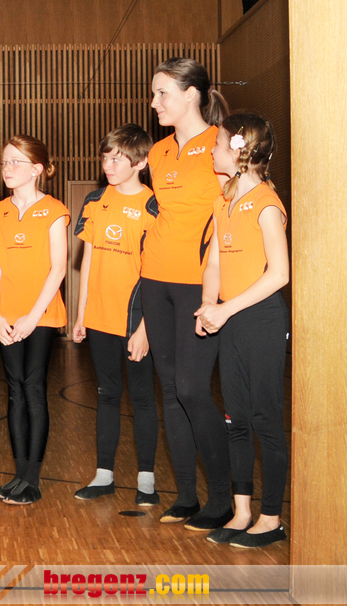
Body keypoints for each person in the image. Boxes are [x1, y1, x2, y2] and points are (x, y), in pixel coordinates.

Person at [142, 57, 232, 529]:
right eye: (154, 93)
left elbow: (229, 216)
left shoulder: (220, 144)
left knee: (193, 389)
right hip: (155, 280)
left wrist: (215, 291)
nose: (154, 102)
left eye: (163, 93)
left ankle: (224, 499)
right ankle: (185, 497)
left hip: (199, 283)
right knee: (171, 391)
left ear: (191, 94)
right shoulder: (158, 153)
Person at [198, 113, 289, 548]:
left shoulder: (267, 203)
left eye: (218, 144)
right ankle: (241, 512)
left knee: (264, 419)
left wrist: (227, 308)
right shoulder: (223, 202)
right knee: (235, 418)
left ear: (238, 150)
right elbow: (214, 262)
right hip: (230, 319)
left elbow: (279, 274)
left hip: (261, 320)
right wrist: (208, 304)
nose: (212, 151)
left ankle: (271, 518)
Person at [71, 125, 160, 506]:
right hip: (99, 318)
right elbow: (87, 262)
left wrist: (146, 328)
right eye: (105, 157)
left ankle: (146, 481)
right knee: (107, 395)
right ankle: (103, 475)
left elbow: (157, 273)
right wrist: (80, 315)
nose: (108, 165)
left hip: (136, 320)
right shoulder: (95, 200)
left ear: (140, 163)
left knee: (142, 398)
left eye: (117, 159)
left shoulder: (155, 206)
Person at [0, 135, 68, 505]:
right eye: (4, 162)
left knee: (33, 387)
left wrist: (33, 317)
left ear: (37, 169)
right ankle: (18, 475)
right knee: (14, 389)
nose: (7, 168)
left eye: (15, 162)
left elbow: (58, 268)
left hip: (41, 315)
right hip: (7, 314)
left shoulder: (54, 210)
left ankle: (32, 480)